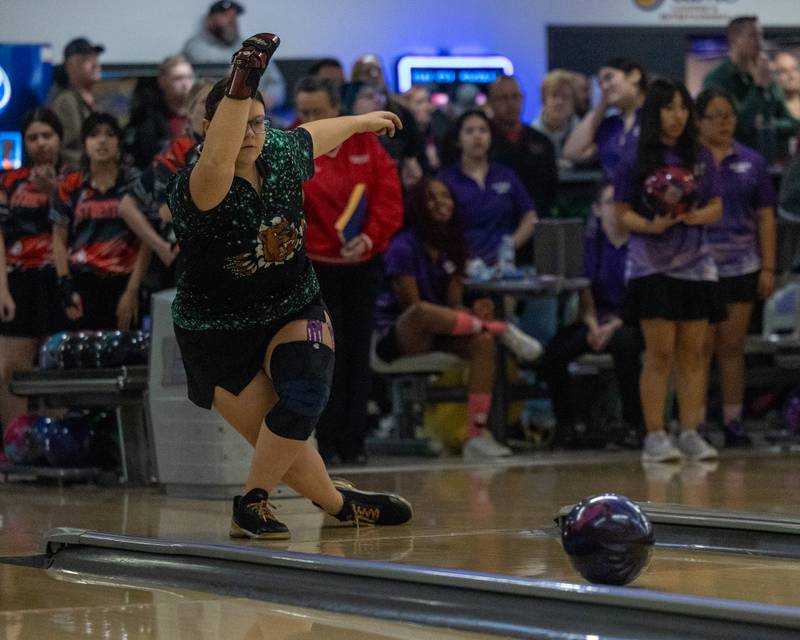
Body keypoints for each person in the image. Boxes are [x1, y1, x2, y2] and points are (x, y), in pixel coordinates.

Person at [166, 33, 412, 539]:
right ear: (210, 129)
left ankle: (251, 501)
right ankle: (341, 505)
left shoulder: (277, 152)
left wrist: (365, 122)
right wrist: (243, 78)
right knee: (282, 445)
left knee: (303, 398)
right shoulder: (200, 183)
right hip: (216, 331)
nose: (254, 133)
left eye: (260, 122)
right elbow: (217, 159)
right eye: (243, 123)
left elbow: (315, 135)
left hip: (292, 304)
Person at [373, 178, 542, 459]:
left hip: (441, 331)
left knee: (483, 343)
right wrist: (458, 316)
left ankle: (476, 435)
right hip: (399, 335)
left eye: (446, 196)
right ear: (418, 206)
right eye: (432, 198)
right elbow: (412, 307)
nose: (442, 203)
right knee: (422, 311)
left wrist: (471, 313)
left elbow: (453, 303)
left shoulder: (453, 247)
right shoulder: (403, 246)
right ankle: (502, 329)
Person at [294, 75, 403, 465]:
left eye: (316, 112)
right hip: (313, 270)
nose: (307, 119)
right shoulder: (292, 147)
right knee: (322, 355)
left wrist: (370, 238)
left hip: (360, 268)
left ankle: (353, 440)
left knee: (357, 355)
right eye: (302, 111)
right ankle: (321, 438)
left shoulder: (365, 145)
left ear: (335, 110)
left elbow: (388, 200)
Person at [614, 79, 724, 464]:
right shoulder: (635, 157)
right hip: (651, 265)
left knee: (693, 353)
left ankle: (691, 431)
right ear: (654, 112)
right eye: (669, 107)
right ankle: (656, 435)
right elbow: (621, 212)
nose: (677, 116)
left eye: (683, 108)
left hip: (696, 266)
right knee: (659, 353)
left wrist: (694, 215)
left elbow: (716, 207)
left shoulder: (700, 156)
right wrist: (651, 226)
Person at [696, 88, 777, 447]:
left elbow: (765, 217)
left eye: (728, 115)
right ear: (698, 121)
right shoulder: (689, 163)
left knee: (732, 346)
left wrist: (768, 267)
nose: (723, 123)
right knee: (698, 348)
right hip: (697, 266)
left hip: (742, 264)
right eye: (714, 116)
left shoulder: (752, 162)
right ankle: (692, 424)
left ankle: (733, 420)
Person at [539, 181, 643, 448]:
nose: (616, 208)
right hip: (596, 317)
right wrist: (593, 324)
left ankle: (634, 424)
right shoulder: (590, 244)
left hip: (632, 319)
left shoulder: (640, 245)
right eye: (609, 202)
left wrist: (612, 327)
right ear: (597, 209)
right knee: (554, 353)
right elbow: (583, 288)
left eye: (622, 202)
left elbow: (642, 296)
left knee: (626, 346)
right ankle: (567, 425)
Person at [0, 109, 69, 429]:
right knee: (11, 369)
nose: (41, 143)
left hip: (60, 279)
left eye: (47, 135)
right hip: (18, 282)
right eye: (33, 137)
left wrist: (53, 193)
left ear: (59, 138)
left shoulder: (74, 179)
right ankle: (16, 442)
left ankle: (60, 439)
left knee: (57, 366)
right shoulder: (10, 182)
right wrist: (2, 289)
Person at [51, 113, 147, 331]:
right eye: (94, 135)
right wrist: (65, 284)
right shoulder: (70, 183)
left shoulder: (136, 182)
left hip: (124, 281)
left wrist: (132, 290)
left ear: (119, 143)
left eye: (110, 135)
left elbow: (147, 240)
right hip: (82, 281)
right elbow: (58, 235)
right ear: (85, 143)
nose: (102, 141)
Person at [120, 81, 214, 290]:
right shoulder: (176, 153)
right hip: (182, 259)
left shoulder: (229, 152)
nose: (212, 111)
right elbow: (163, 211)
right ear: (189, 112)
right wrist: (159, 245)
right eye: (205, 102)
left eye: (219, 104)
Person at [439, 109, 538, 267]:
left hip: (503, 269)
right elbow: (437, 226)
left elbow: (530, 216)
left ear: (491, 137)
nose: (477, 136)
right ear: (458, 140)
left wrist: (511, 245)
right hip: (462, 268)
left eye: (483, 130)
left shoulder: (505, 175)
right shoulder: (446, 180)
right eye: (470, 131)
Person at [703, 16, 796, 156]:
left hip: (769, 162)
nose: (759, 42)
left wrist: (766, 126)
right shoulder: (717, 80)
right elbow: (736, 126)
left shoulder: (768, 77)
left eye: (760, 35)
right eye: (753, 36)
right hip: (731, 161)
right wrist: (758, 89)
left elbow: (792, 124)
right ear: (734, 38)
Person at [182, 1, 286, 111]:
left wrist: (270, 98)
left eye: (235, 16)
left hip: (257, 112)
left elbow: (276, 83)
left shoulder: (255, 46)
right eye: (225, 15)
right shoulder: (195, 47)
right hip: (215, 111)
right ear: (210, 19)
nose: (232, 20)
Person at [488, 76, 558, 219]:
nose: (510, 104)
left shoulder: (542, 142)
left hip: (538, 222)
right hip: (496, 224)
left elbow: (551, 189)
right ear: (491, 102)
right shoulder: (484, 143)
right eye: (503, 98)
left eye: (515, 97)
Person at [564, 58, 647, 176]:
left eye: (609, 77)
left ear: (634, 75)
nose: (604, 87)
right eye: (600, 84)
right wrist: (601, 106)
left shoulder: (657, 117)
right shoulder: (610, 126)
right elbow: (572, 152)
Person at [126, 55, 195, 168]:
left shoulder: (202, 114)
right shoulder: (146, 118)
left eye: (189, 77)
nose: (185, 84)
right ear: (162, 82)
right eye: (178, 78)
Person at [48, 37, 103, 168]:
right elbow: (67, 150)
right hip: (76, 180)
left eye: (95, 59)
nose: (95, 64)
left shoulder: (86, 100)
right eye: (86, 60)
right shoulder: (66, 101)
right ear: (69, 66)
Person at [532, 70, 579, 163]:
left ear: (573, 103)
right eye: (554, 96)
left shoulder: (583, 132)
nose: (559, 102)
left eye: (565, 97)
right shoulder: (532, 135)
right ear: (543, 101)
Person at [402, 86, 451, 174]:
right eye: (420, 102)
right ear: (407, 108)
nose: (427, 107)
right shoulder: (403, 138)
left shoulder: (439, 133)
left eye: (428, 101)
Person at [773, 51, 800, 123]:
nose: (791, 76)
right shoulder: (772, 109)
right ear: (775, 77)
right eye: (783, 71)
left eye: (795, 69)